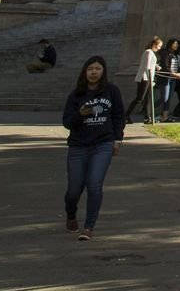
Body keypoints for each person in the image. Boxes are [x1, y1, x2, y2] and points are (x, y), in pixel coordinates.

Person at [62, 55, 128, 240]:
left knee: (94, 184)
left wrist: (118, 139)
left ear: (103, 71)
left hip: (103, 144)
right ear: (85, 71)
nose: (94, 72)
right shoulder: (76, 95)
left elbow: (118, 116)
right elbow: (67, 122)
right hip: (78, 145)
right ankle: (71, 214)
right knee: (74, 190)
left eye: (98, 69)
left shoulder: (111, 91)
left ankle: (89, 227)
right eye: (90, 69)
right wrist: (80, 115)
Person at [127, 37, 163, 122]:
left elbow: (149, 64)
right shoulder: (148, 52)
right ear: (154, 44)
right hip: (145, 78)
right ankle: (126, 115)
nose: (160, 48)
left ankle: (148, 118)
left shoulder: (151, 53)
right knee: (140, 99)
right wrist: (151, 80)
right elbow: (147, 67)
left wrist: (156, 66)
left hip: (147, 78)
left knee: (148, 99)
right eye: (159, 46)